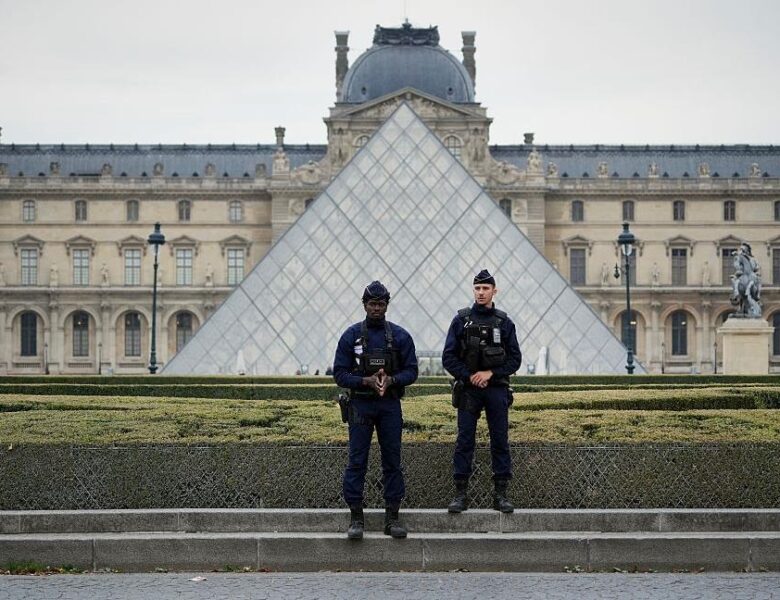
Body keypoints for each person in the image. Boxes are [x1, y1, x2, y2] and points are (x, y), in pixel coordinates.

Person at [333, 281, 418, 540]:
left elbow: (412, 371)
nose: (376, 309)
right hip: (360, 403)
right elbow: (339, 373)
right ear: (364, 305)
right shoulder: (350, 336)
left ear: (386, 306)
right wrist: (365, 381)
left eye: (381, 304)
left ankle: (392, 517)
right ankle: (356, 517)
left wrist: (391, 380)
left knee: (392, 462)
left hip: (389, 404)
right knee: (357, 462)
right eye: (372, 304)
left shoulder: (401, 337)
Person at [442, 269, 522, 514]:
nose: (481, 292)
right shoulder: (460, 321)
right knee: (464, 441)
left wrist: (490, 374)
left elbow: (515, 360)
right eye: (477, 288)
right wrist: (469, 376)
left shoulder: (505, 323)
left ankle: (501, 495)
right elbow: (448, 358)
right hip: (469, 390)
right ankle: (460, 494)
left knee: (500, 441)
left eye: (485, 288)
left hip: (496, 389)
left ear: (494, 291)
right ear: (473, 290)